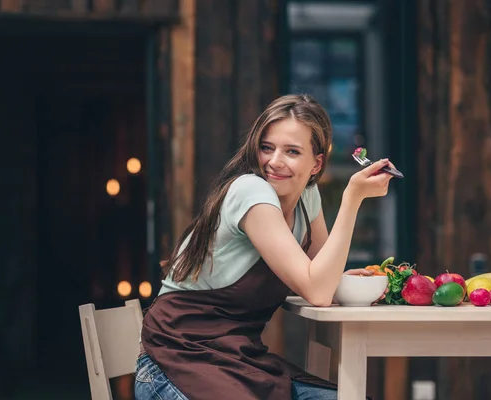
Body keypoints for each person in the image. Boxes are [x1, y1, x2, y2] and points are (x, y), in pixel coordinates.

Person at [135, 94, 394, 400]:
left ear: (317, 163)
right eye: (267, 147)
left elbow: (325, 279)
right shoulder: (250, 191)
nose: (274, 161)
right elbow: (319, 290)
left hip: (239, 362)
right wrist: (353, 198)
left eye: (292, 151)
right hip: (177, 359)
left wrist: (362, 280)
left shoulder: (307, 198)